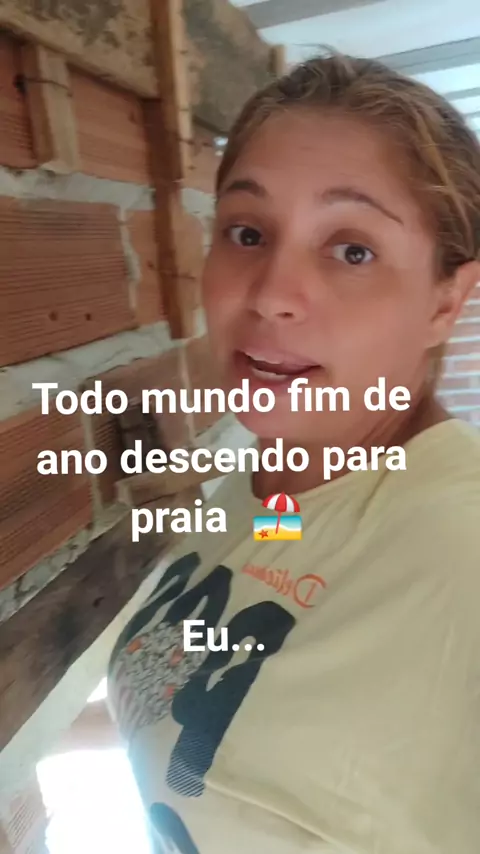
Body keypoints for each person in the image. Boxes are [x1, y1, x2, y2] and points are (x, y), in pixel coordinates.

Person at [108, 53, 480, 853]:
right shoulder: (260, 491)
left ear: (446, 300)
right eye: (247, 233)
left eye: (352, 250)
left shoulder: (463, 547)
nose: (271, 292)